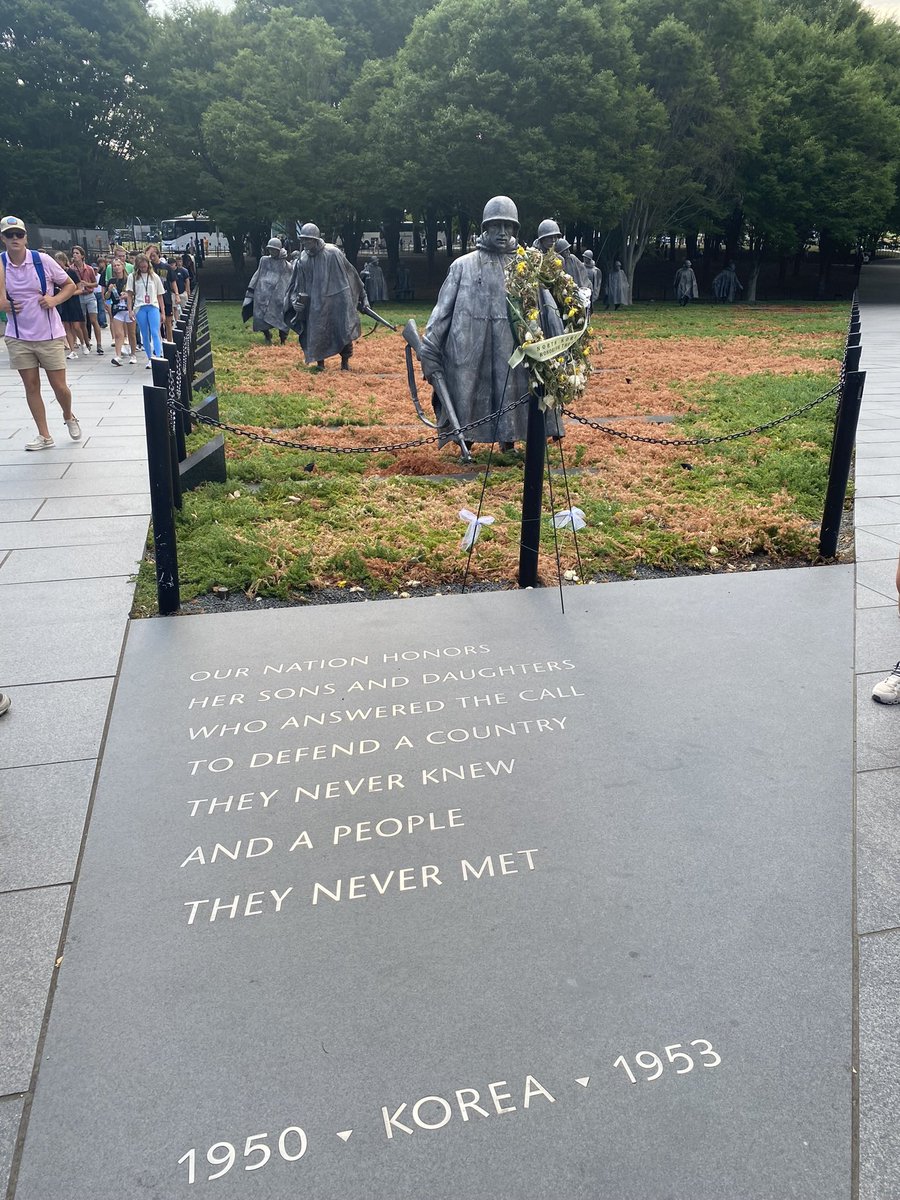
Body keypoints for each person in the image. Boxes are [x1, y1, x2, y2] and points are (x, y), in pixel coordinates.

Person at [419, 196, 545, 454]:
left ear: (514, 230)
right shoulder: (462, 266)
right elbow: (442, 311)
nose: (502, 232)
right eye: (496, 226)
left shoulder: (525, 266)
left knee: (510, 392)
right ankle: (466, 438)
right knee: (469, 392)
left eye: (507, 226)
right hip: (469, 345)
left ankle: (508, 442)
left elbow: (541, 310)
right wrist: (430, 347)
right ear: (485, 228)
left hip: (512, 346)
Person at [0, 215, 82, 450]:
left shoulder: (42, 260)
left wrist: (53, 299)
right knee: (31, 386)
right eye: (9, 235)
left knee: (59, 386)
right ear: (2, 238)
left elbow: (69, 285)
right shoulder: (1, 264)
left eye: (19, 234)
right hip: (18, 335)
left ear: (26, 237)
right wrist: (3, 305)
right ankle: (44, 434)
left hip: (48, 333)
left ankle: (68, 415)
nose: (15, 238)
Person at [285, 222, 366, 370]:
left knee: (343, 331)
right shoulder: (302, 259)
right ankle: (320, 363)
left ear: (315, 239)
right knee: (316, 332)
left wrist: (363, 297)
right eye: (303, 239)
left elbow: (351, 274)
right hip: (315, 303)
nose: (304, 242)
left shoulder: (333, 253)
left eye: (307, 239)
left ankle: (345, 363)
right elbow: (296, 285)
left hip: (338, 300)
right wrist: (295, 301)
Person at [242, 238, 291, 344]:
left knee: (281, 317)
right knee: (260, 316)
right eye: (270, 249)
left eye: (274, 250)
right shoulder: (264, 260)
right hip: (263, 293)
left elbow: (289, 280)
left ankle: (283, 339)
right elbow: (258, 274)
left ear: (279, 250)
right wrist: (251, 289)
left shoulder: (286, 265)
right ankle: (267, 335)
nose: (271, 252)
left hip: (278, 295)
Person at [126, 252, 165, 367]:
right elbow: (129, 294)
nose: (143, 268)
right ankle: (149, 357)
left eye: (145, 266)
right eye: (141, 266)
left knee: (155, 331)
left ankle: (158, 355)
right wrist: (130, 310)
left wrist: (162, 311)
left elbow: (160, 295)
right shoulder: (132, 277)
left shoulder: (154, 276)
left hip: (153, 306)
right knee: (145, 333)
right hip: (140, 307)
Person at [53, 251, 89, 359]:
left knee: (76, 326)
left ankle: (83, 343)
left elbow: (80, 289)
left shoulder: (71, 273)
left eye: (60, 263)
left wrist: (69, 292)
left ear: (64, 262)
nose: (58, 265)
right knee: (66, 326)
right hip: (63, 302)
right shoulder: (54, 274)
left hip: (73, 301)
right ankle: (73, 350)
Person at [105, 258, 138, 365]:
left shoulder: (130, 279)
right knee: (118, 334)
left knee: (131, 333)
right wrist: (109, 291)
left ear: (123, 266)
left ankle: (133, 354)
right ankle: (118, 355)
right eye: (114, 266)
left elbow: (136, 294)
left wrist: (128, 296)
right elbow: (106, 296)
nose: (116, 268)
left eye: (118, 265)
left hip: (128, 309)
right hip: (117, 309)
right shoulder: (112, 281)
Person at [71, 246, 103, 353]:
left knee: (94, 320)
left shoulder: (89, 269)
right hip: (79, 296)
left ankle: (99, 344)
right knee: (82, 321)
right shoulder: (71, 269)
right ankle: (87, 342)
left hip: (89, 295)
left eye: (77, 253)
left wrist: (87, 283)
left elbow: (95, 283)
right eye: (74, 253)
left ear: (82, 256)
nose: (75, 255)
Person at [147, 245, 181, 341]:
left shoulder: (166, 267)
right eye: (151, 256)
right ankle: (159, 343)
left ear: (158, 254)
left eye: (154, 255)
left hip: (166, 297)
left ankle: (170, 342)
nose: (152, 258)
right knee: (156, 324)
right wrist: (148, 253)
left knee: (168, 323)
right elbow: (143, 261)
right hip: (153, 298)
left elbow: (173, 281)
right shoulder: (149, 267)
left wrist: (177, 295)